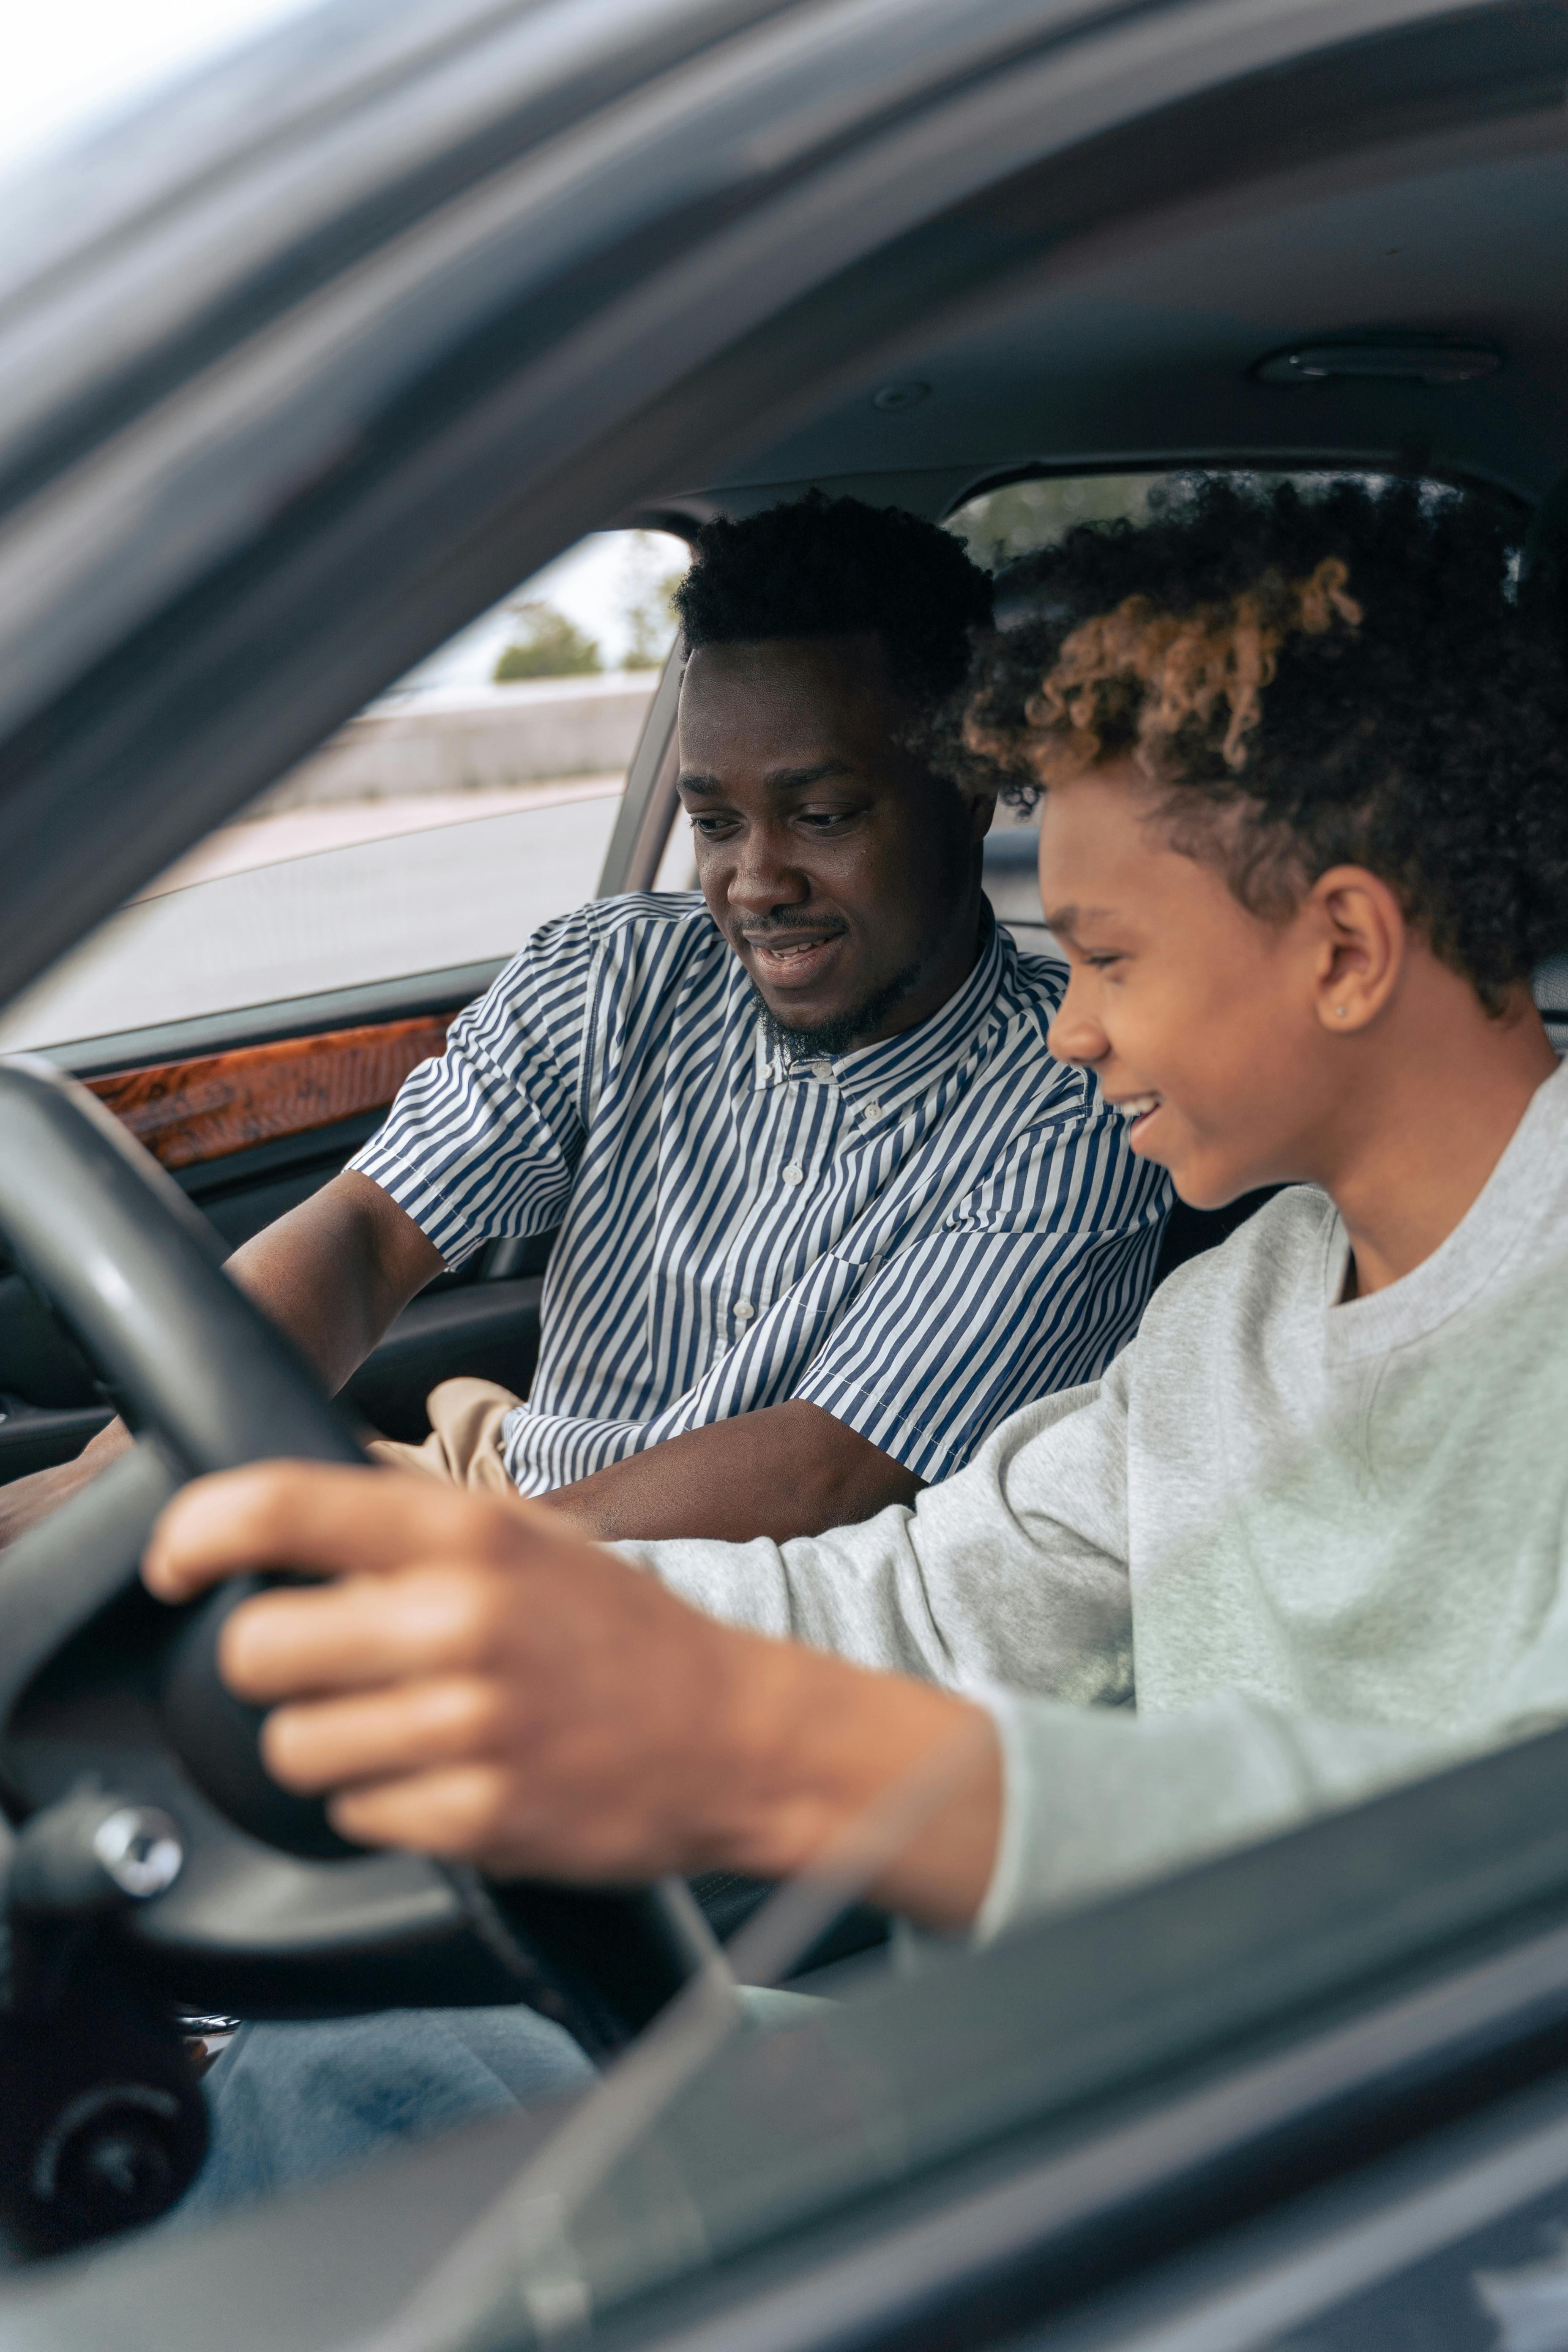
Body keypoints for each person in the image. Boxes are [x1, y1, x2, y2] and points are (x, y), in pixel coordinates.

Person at [148, 474, 1568, 2210]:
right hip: (1090, 2076)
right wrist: (489, 1586)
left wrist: (775, 1744)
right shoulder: (1241, 1306)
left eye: (1110, 957)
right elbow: (917, 1595)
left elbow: (1491, 1868)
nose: (1073, 1030)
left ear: (1343, 947)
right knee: (344, 2066)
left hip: (1360, 2187)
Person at [0, 493, 1167, 1552]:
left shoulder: (1079, 1094)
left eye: (820, 816)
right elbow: (362, 1240)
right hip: (494, 1496)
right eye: (714, 826)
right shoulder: (612, 973)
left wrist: (446, 1571)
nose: (755, 882)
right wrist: (131, 1472)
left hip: (735, 1614)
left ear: (964, 797)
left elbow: (827, 1476)